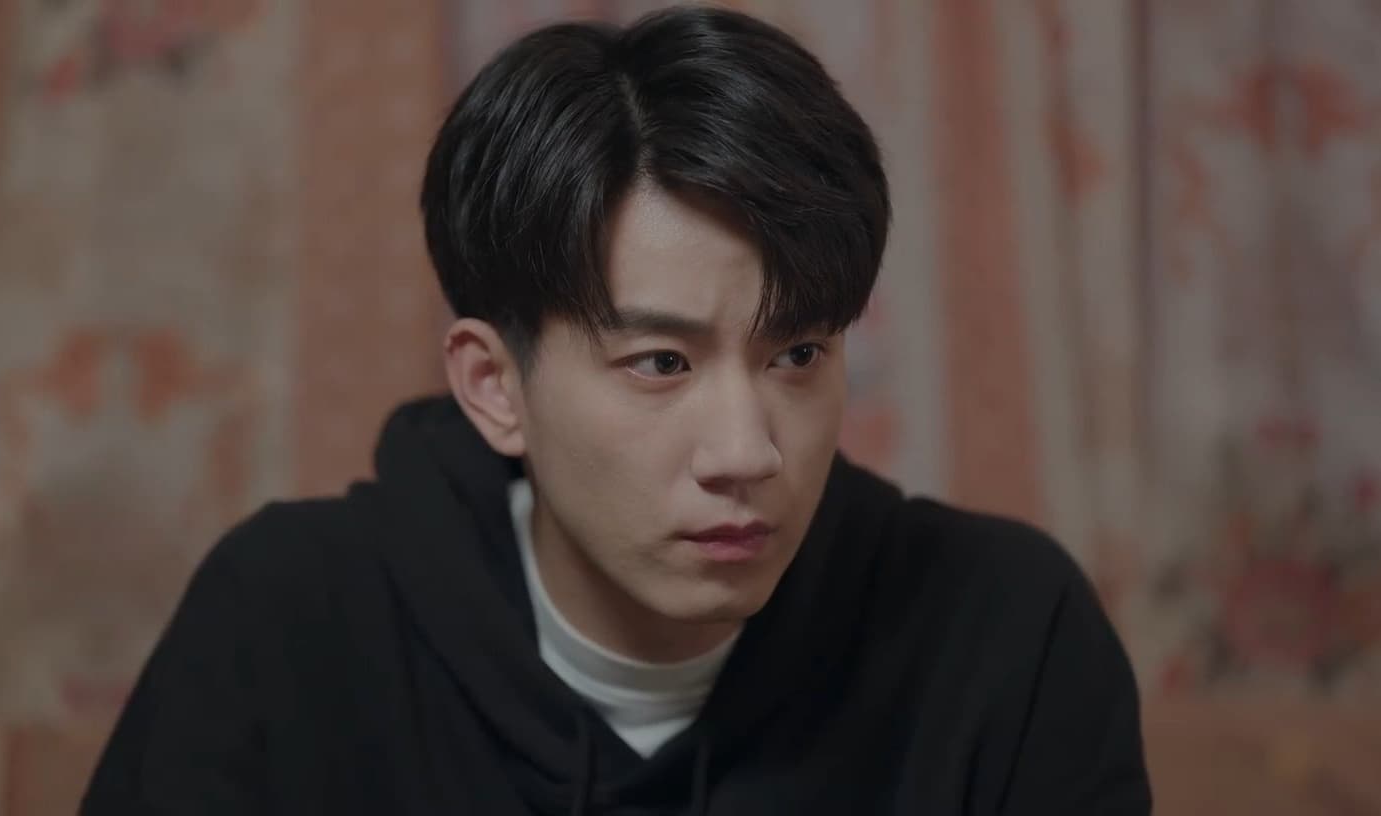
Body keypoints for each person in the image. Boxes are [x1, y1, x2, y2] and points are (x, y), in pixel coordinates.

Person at [82, 6, 1151, 814]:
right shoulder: (286, 626)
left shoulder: (1006, 636)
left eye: (797, 354)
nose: (746, 452)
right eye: (659, 363)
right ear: (494, 386)